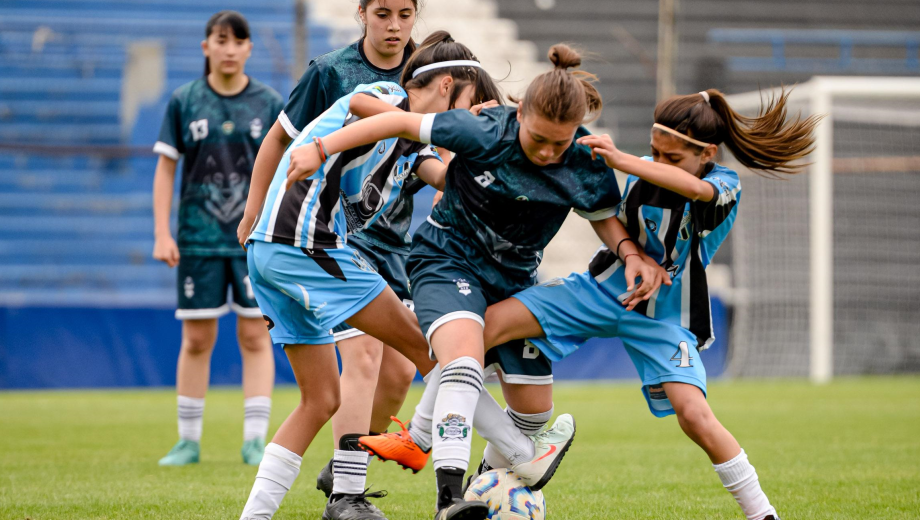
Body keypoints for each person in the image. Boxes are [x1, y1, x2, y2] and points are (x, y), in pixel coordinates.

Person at [284, 44, 664, 520]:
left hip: (512, 283)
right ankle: (450, 499)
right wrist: (319, 146)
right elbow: (399, 122)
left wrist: (629, 253)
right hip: (446, 261)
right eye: (538, 139)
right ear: (519, 112)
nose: (547, 153)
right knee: (461, 363)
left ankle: (448, 454)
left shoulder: (584, 163)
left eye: (558, 144)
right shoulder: (484, 130)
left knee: (533, 413)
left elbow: (603, 217)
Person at [237, 38, 551, 520]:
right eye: (466, 108)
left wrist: (491, 138)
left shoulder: (412, 150)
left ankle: (255, 515)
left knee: (320, 399)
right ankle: (522, 454)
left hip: (272, 255)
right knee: (434, 353)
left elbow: (448, 176)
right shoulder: (384, 96)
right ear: (446, 86)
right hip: (303, 248)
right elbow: (363, 105)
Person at [480, 88, 819, 520]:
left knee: (695, 415)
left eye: (672, 158)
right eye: (655, 152)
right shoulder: (647, 171)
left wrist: (622, 159)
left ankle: (762, 513)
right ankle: (468, 466)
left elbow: (695, 189)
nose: (659, 164)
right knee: (485, 326)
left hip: (664, 318)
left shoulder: (723, 184)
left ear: (707, 153)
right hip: (600, 290)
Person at [236, 0, 428, 511]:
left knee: (397, 375)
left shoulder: (425, 72)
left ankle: (345, 463)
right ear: (361, 12)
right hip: (324, 236)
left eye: (404, 14)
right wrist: (254, 208)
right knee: (366, 354)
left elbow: (435, 161)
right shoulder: (333, 72)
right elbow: (279, 138)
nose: (393, 25)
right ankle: (350, 491)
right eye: (382, 13)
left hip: (390, 239)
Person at [151, 10, 284, 467]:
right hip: (198, 239)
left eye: (238, 41)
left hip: (254, 240)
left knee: (254, 335)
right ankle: (187, 441)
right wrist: (161, 232)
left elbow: (285, 169)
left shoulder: (269, 103)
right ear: (206, 46)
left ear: (249, 49)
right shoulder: (184, 101)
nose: (229, 49)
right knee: (196, 339)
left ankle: (254, 440)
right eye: (220, 40)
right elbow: (166, 168)